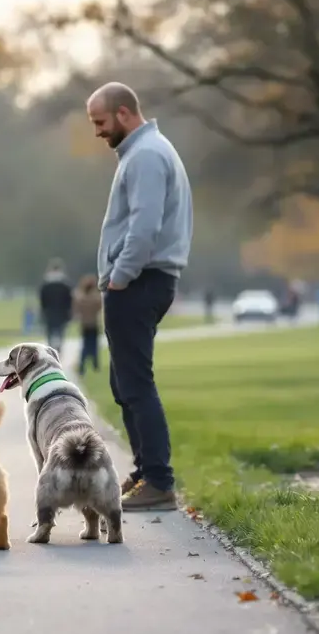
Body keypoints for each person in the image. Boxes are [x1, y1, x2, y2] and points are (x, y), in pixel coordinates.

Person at [87, 81, 193, 512]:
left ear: (125, 113)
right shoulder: (144, 151)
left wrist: (120, 276)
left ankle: (159, 481)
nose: (96, 130)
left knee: (136, 383)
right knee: (123, 381)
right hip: (143, 279)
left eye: (100, 121)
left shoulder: (147, 155)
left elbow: (144, 227)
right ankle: (147, 470)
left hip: (139, 280)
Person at [37, 258, 74, 356]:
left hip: (49, 311)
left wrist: (43, 310)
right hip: (62, 312)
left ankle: (51, 348)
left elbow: (42, 299)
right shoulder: (65, 284)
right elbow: (69, 300)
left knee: (50, 331)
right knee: (60, 331)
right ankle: (58, 348)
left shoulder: (46, 284)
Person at [72, 274, 103, 375]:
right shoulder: (95, 299)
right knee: (94, 345)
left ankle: (82, 366)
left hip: (84, 324)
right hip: (94, 324)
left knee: (85, 345)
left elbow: (76, 309)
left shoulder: (81, 299)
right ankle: (95, 365)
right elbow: (100, 307)